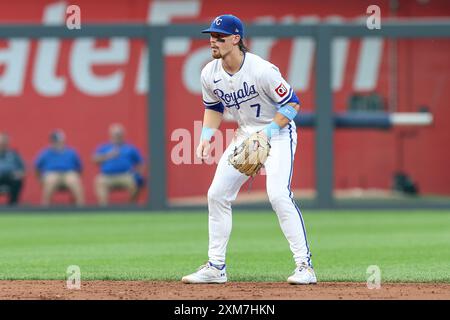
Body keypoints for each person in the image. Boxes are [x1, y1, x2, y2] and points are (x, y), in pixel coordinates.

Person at [182, 14, 316, 285]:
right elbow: (214, 108)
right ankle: (216, 267)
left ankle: (305, 266)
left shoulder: (262, 69)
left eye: (220, 37)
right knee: (216, 194)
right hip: (245, 136)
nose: (213, 41)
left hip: (277, 135)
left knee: (278, 195)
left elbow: (292, 105)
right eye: (211, 36)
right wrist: (206, 137)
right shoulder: (209, 73)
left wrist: (267, 133)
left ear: (236, 39)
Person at [93, 123, 145, 206]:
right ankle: (104, 208)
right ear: (111, 135)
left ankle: (131, 207)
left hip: (125, 175)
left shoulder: (130, 148)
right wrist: (108, 155)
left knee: (134, 182)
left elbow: (140, 162)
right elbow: (94, 159)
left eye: (119, 134)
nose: (117, 136)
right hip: (107, 176)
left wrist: (138, 174)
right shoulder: (104, 147)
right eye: (115, 134)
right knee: (99, 181)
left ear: (123, 135)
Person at [35, 130, 84, 206]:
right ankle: (45, 207)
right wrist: (40, 179)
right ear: (51, 142)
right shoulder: (45, 153)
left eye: (59, 141)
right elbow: (37, 167)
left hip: (68, 173)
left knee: (74, 180)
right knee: (50, 180)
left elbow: (80, 168)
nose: (57, 143)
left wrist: (76, 176)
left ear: (63, 141)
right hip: (52, 173)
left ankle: (80, 207)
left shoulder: (71, 152)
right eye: (55, 141)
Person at [0, 133, 25, 205]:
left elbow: (22, 169)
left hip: (11, 177)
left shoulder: (14, 154)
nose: (2, 144)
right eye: (1, 142)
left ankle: (13, 205)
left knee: (17, 180)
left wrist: (19, 173)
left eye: (4, 142)